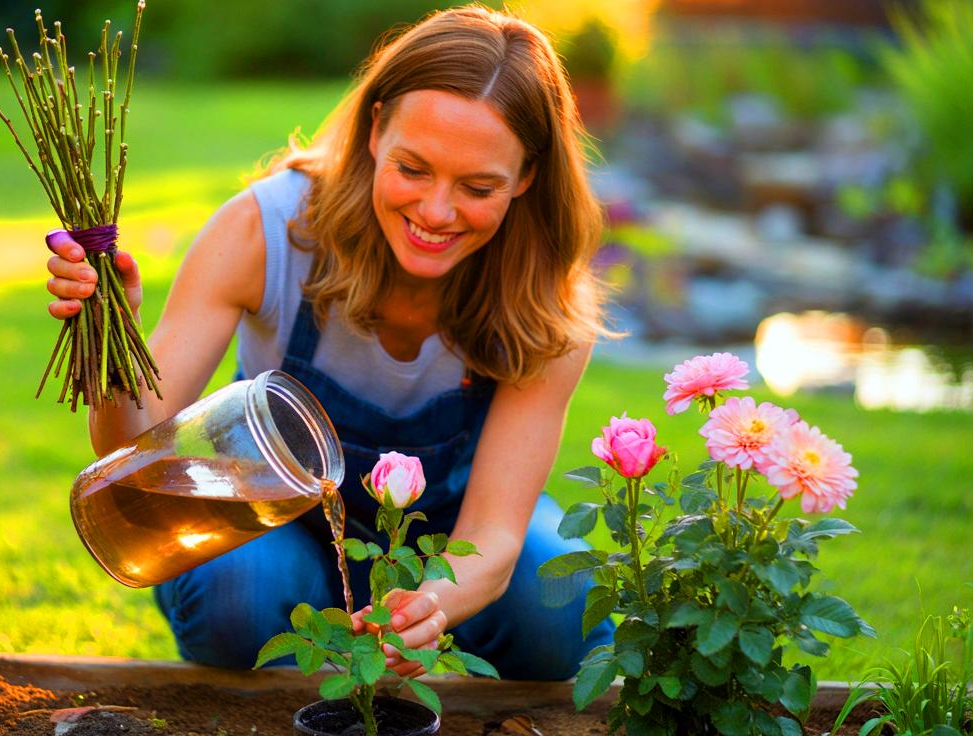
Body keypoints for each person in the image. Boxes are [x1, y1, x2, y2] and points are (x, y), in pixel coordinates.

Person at [44, 5, 615, 680]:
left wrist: (430, 604)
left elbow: (492, 535)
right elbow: (125, 450)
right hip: (269, 526)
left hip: (453, 537)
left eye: (478, 187)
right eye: (413, 168)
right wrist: (111, 340)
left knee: (559, 600)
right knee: (236, 595)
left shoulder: (544, 295)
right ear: (376, 129)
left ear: (525, 176)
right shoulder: (267, 230)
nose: (436, 212)